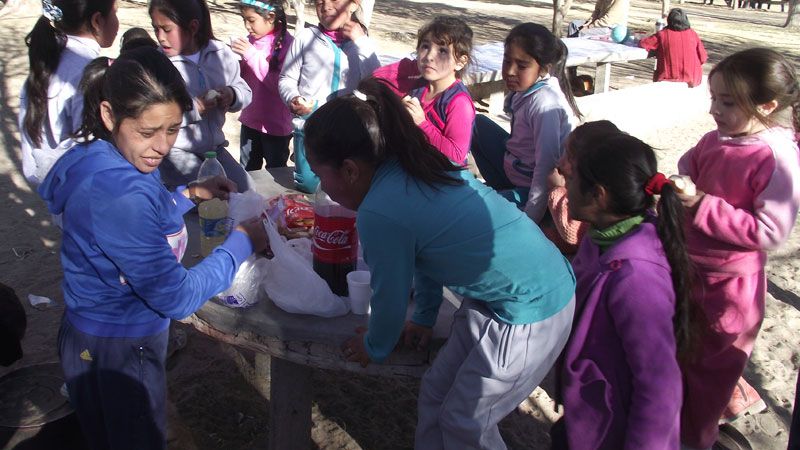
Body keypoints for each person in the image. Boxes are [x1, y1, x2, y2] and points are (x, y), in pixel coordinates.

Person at [305, 78, 576, 449]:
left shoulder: (380, 211)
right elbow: (425, 257)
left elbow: (390, 294)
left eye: (322, 176)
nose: (322, 186)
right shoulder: (407, 167)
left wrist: (376, 345)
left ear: (350, 170)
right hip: (503, 295)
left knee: (467, 421)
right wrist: (424, 317)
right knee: (436, 392)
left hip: (529, 307)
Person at [37, 47, 267, 449]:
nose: (162, 146)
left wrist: (188, 193)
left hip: (93, 337)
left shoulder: (107, 158)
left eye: (173, 129)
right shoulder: (118, 192)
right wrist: (240, 244)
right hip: (120, 348)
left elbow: (147, 211)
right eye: (148, 132)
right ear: (109, 115)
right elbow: (177, 297)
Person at [677, 47, 800, 450]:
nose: (715, 109)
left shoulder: (775, 157)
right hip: (692, 270)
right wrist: (683, 179)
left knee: (708, 379)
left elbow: (770, 231)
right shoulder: (721, 137)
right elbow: (693, 162)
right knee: (682, 360)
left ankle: (696, 438)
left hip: (730, 289)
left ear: (767, 105)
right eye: (713, 98)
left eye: (727, 102)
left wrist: (702, 204)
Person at [553, 123, 692, 449]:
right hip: (586, 416)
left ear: (598, 195)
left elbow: (659, 386)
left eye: (572, 180)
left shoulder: (637, 278)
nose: (564, 180)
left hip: (611, 433)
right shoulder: (600, 237)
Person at [470, 23, 580, 224]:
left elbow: (545, 167)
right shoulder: (528, 89)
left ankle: (514, 201)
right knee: (475, 122)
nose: (510, 71)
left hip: (531, 185)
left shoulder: (544, 105)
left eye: (521, 66)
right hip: (516, 164)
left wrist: (531, 219)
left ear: (543, 68)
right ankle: (502, 192)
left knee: (476, 208)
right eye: (506, 61)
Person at [149, 0, 253, 192]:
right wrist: (195, 107)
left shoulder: (220, 54)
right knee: (212, 195)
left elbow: (245, 90)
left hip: (214, 150)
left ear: (193, 27)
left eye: (167, 29)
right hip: (175, 152)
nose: (161, 37)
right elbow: (154, 117)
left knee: (246, 190)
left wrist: (232, 94)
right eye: (156, 29)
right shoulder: (157, 64)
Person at [278, 0, 380, 193]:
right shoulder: (305, 39)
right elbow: (286, 78)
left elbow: (377, 83)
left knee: (345, 187)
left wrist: (361, 42)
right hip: (310, 128)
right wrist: (293, 98)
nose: (325, 6)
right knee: (309, 186)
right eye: (319, 1)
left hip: (348, 131)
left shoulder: (362, 43)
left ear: (354, 4)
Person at [18, 0, 119, 185]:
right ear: (97, 21)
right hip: (86, 191)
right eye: (115, 12)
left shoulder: (44, 65)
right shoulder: (90, 73)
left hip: (55, 188)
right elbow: (91, 148)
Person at [373, 16, 475, 164]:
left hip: (442, 174)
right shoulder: (419, 84)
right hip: (416, 163)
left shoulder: (459, 103)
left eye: (442, 51)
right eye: (425, 46)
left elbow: (457, 156)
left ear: (460, 62)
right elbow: (376, 77)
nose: (429, 57)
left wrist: (421, 124)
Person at [540, 121, 620, 255]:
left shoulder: (600, 201)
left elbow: (573, 232)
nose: (560, 161)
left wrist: (557, 189)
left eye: (569, 157)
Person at [231, 0, 294, 170]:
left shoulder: (287, 45)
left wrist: (250, 55)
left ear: (271, 17)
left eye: (251, 20)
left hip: (276, 126)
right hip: (250, 120)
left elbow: (278, 84)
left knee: (275, 173)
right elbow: (243, 79)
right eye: (244, 19)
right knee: (247, 172)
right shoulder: (250, 41)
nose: (247, 26)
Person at [638, 8, 708, 88]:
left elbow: (643, 44)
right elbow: (703, 58)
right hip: (692, 80)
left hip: (667, 79)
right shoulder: (692, 34)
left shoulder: (663, 34)